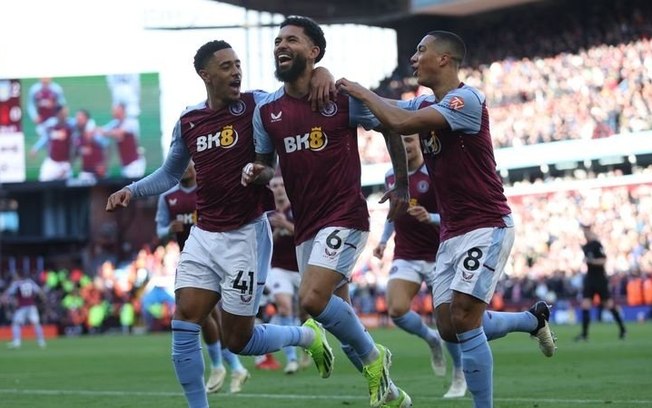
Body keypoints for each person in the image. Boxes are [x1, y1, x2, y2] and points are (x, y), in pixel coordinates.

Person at [106, 39, 336, 408]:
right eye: (226, 66)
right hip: (204, 234)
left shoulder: (257, 103)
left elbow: (297, 90)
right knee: (184, 320)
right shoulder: (189, 121)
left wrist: (322, 71)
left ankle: (305, 337)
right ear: (205, 75)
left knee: (238, 341)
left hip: (247, 235)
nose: (236, 72)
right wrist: (131, 191)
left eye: (238, 64)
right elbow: (169, 173)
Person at [336, 30, 557, 408]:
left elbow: (400, 122)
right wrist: (339, 98)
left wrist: (360, 90)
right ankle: (530, 320)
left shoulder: (466, 99)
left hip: (486, 225)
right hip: (451, 233)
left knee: (464, 318)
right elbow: (386, 114)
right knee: (450, 326)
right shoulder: (426, 102)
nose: (414, 58)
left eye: (421, 50)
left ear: (445, 59)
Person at [243, 16, 412, 408]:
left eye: (292, 40)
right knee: (341, 317)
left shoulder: (341, 99)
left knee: (313, 300)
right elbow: (266, 164)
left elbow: (390, 123)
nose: (281, 46)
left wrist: (401, 182)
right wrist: (257, 172)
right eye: (278, 40)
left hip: (345, 215)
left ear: (314, 52)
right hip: (307, 226)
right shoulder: (267, 110)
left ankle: (376, 360)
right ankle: (391, 394)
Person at [374, 134, 466, 399]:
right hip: (406, 253)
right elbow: (393, 213)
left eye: (410, 140)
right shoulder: (392, 175)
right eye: (400, 141)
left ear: (419, 142)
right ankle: (430, 338)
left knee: (448, 320)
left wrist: (431, 218)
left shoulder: (434, 172)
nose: (405, 145)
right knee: (397, 309)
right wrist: (382, 241)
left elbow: (455, 211)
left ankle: (459, 373)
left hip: (441, 255)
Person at [155, 161, 250, 394]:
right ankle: (233, 367)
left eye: (191, 164)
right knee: (208, 315)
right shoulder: (169, 198)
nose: (187, 168)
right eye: (183, 164)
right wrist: (169, 229)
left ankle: (223, 366)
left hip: (216, 258)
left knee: (206, 315)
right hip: (189, 260)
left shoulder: (207, 190)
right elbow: (159, 230)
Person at [266, 172, 307, 374]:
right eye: (275, 185)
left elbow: (306, 233)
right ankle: (291, 358)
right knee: (284, 308)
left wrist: (285, 225)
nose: (279, 189)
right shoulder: (267, 213)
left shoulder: (297, 208)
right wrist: (274, 230)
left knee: (307, 311)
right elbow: (262, 245)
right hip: (278, 267)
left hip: (301, 267)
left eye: (282, 184)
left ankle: (308, 345)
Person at [575, 223, 626, 341]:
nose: (585, 234)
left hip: (600, 279)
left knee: (608, 305)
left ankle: (623, 329)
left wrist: (591, 261)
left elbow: (603, 260)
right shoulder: (586, 246)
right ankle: (584, 334)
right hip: (589, 279)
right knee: (585, 305)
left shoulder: (597, 245)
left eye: (586, 232)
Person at [1, 271, 47, 349]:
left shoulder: (17, 284)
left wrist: (3, 298)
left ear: (19, 276)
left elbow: (8, 293)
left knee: (16, 323)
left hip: (22, 307)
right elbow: (39, 291)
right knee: (36, 323)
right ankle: (41, 341)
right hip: (32, 306)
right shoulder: (31, 282)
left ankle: (17, 342)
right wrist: (43, 298)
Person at [98, 103, 146, 179]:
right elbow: (102, 130)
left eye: (117, 111)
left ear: (123, 111)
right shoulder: (115, 124)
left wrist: (106, 132)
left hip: (134, 164)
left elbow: (119, 133)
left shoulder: (130, 122)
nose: (115, 113)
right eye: (114, 111)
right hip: (125, 165)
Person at [30, 104, 75, 181]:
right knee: (43, 181)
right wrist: (36, 148)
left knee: (68, 188)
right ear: (57, 114)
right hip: (52, 162)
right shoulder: (51, 125)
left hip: (65, 163)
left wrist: (68, 165)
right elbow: (45, 138)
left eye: (66, 113)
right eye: (63, 113)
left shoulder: (71, 125)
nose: (65, 115)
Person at [73, 109, 110, 182]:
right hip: (86, 172)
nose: (79, 121)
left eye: (81, 119)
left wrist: (104, 165)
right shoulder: (77, 136)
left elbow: (107, 147)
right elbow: (76, 153)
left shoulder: (97, 135)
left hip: (99, 173)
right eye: (77, 119)